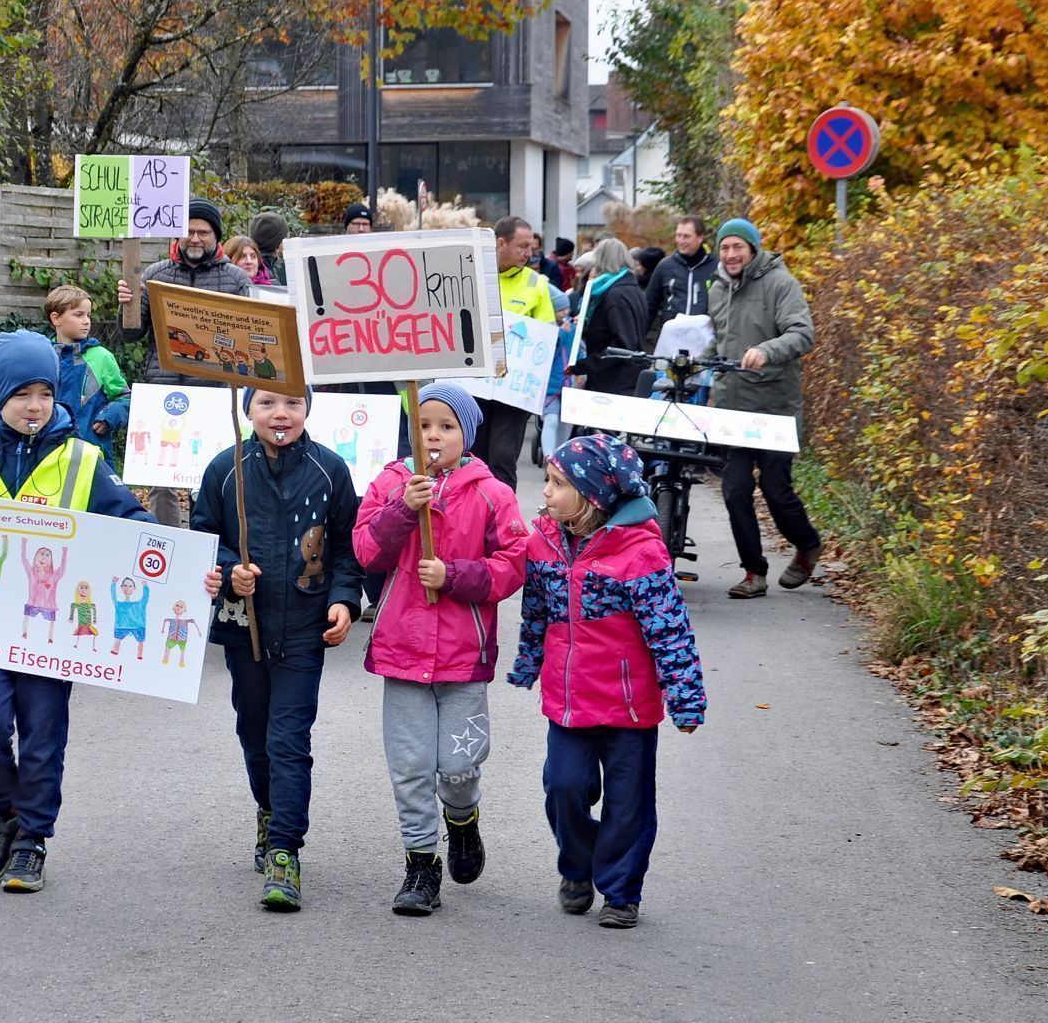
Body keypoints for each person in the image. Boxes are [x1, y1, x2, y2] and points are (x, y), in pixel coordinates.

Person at [0, 330, 155, 893]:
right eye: (22, 393)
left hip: (53, 631)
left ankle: (31, 840)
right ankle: (6, 812)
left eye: (45, 393)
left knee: (44, 735)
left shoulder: (81, 460)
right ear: (0, 397)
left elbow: (133, 521)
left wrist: (180, 568)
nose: (35, 405)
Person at [510, 434, 705, 928]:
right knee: (563, 786)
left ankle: (621, 891)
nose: (547, 492)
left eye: (558, 484)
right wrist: (528, 663)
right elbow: (536, 613)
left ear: (593, 494)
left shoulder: (640, 552)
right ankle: (577, 868)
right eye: (548, 482)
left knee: (628, 802)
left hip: (629, 705)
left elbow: (670, 630)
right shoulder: (543, 544)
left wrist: (685, 698)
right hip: (569, 699)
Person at [353, 382, 531, 917]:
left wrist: (455, 575)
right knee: (409, 766)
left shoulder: (491, 492)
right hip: (402, 651)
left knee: (459, 764)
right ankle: (420, 865)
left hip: (462, 656)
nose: (433, 435)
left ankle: (463, 819)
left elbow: (514, 563)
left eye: (446, 426)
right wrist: (403, 510)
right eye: (424, 424)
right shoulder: (391, 483)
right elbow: (365, 550)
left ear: (466, 435)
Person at [194, 386, 363, 911]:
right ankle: (267, 811)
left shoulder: (330, 470)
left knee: (289, 739)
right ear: (247, 411)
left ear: (308, 409)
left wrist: (343, 601)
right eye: (266, 403)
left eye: (292, 402)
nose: (280, 413)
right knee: (254, 733)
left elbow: (347, 548)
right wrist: (228, 571)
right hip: (244, 630)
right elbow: (202, 535)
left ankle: (285, 850)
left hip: (304, 629)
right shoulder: (226, 469)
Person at [115, 198, 253, 525]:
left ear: (216, 236)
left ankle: (206, 540)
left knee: (208, 472)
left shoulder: (236, 280)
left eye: (202, 232)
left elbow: (248, 338)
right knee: (159, 476)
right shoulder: (154, 274)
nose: (194, 238)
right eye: (188, 231)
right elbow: (131, 335)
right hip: (162, 388)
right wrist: (127, 306)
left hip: (213, 391)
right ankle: (166, 540)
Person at [706, 218, 821, 599]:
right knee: (735, 490)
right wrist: (694, 362)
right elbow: (719, 342)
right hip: (733, 408)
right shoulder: (719, 288)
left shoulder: (780, 283)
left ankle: (807, 545)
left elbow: (802, 334)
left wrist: (767, 350)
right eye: (724, 248)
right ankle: (754, 572)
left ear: (753, 248)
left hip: (774, 408)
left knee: (776, 489)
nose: (731, 254)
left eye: (737, 247)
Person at [470, 216, 558, 494]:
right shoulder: (472, 275)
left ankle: (502, 528)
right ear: (500, 243)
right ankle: (471, 524)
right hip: (475, 386)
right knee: (472, 460)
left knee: (502, 459)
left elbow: (546, 336)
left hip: (514, 391)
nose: (529, 253)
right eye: (522, 246)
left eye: (530, 246)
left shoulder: (537, 284)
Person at [45, 285, 132, 464]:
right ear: (56, 318)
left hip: (91, 454)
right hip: (46, 453)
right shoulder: (42, 355)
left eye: (88, 315)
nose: (86, 321)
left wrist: (108, 418)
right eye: (78, 315)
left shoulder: (101, 357)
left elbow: (126, 398)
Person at [567, 237, 649, 395]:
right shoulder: (634, 289)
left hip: (613, 382)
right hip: (626, 378)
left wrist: (582, 365)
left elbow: (622, 347)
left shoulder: (616, 295)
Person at [642, 216, 718, 338]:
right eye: (678, 235)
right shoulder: (665, 266)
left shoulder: (716, 266)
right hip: (671, 339)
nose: (681, 241)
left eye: (686, 236)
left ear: (700, 237)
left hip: (704, 341)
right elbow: (649, 306)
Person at [250, 212, 290, 285]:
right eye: (286, 236)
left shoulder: (259, 264)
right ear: (277, 240)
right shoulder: (264, 272)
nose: (288, 239)